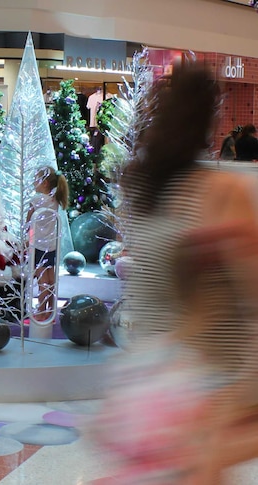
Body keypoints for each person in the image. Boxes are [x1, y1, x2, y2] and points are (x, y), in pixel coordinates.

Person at [93, 62, 258, 482]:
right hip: (207, 380)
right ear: (210, 118)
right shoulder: (219, 192)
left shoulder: (144, 190)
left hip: (149, 379)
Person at [26, 167, 69, 322]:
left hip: (38, 245)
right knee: (50, 279)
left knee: (42, 279)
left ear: (44, 183)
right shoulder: (54, 200)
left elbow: (28, 223)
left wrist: (26, 240)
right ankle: (50, 309)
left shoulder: (36, 200)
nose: (33, 182)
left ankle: (41, 309)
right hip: (51, 244)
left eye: (36, 179)